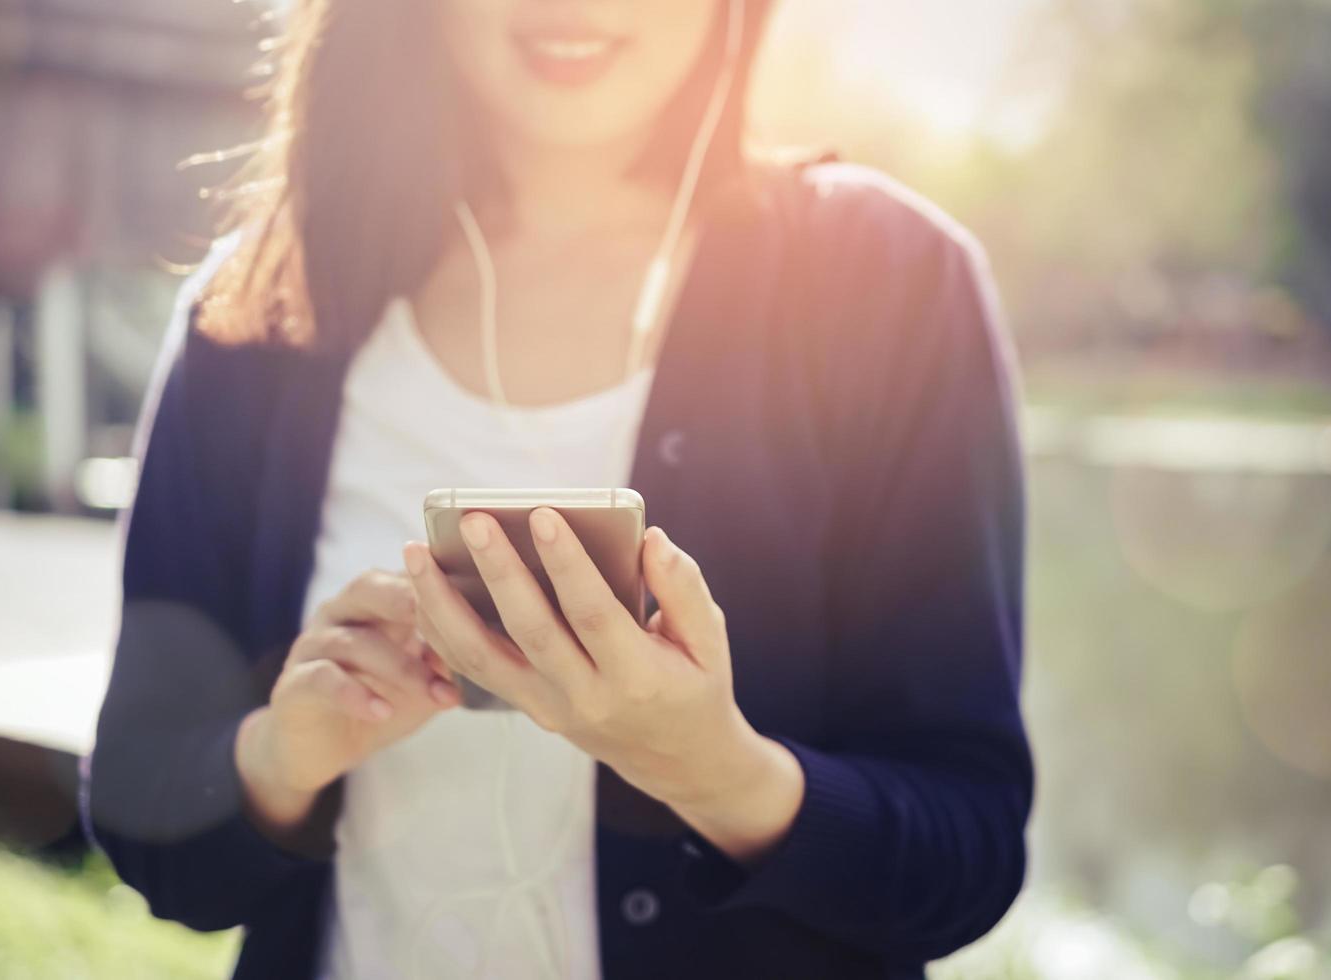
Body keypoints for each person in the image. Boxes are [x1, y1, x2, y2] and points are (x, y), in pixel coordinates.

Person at [84, 0, 1034, 977]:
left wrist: (718, 773)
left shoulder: (890, 283)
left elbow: (968, 850)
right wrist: (283, 756)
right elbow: (147, 818)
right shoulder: (266, 305)